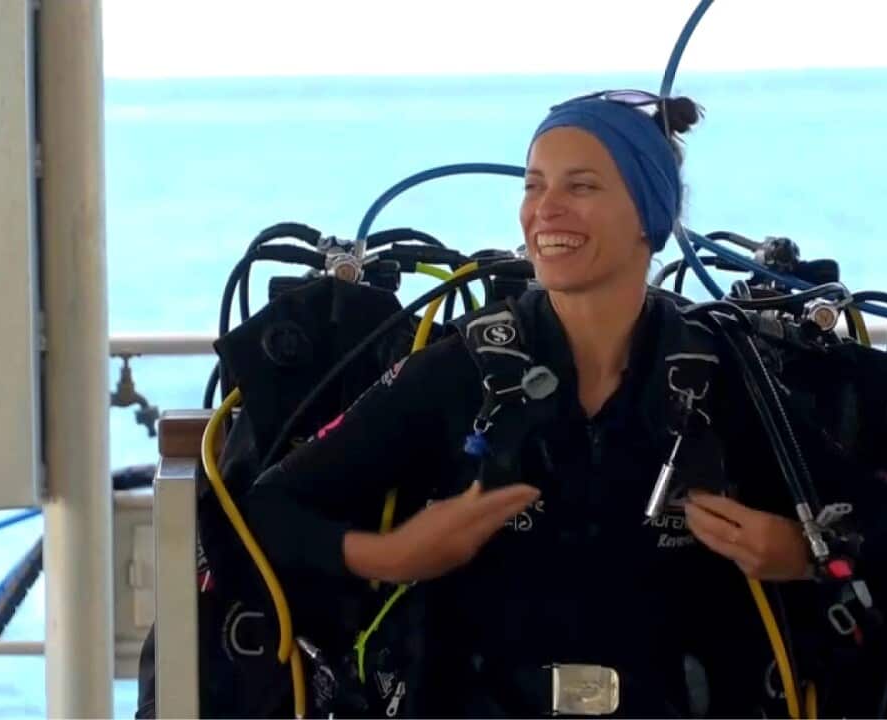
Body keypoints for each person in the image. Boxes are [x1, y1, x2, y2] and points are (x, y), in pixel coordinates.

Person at [240, 89, 821, 718]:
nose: (546, 209)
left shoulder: (721, 372)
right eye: (534, 185)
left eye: (582, 186)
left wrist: (800, 554)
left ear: (648, 215)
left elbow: (876, 521)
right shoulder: (464, 370)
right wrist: (393, 555)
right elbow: (270, 504)